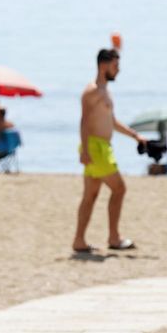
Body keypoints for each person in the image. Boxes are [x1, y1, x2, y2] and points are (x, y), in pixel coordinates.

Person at [72, 48, 147, 253]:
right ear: (104, 65)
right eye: (116, 66)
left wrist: (135, 136)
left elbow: (112, 122)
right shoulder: (92, 91)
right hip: (96, 149)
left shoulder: (105, 91)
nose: (118, 70)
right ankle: (114, 238)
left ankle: (79, 241)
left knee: (91, 195)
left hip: (102, 147)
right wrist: (85, 150)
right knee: (119, 189)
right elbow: (84, 122)